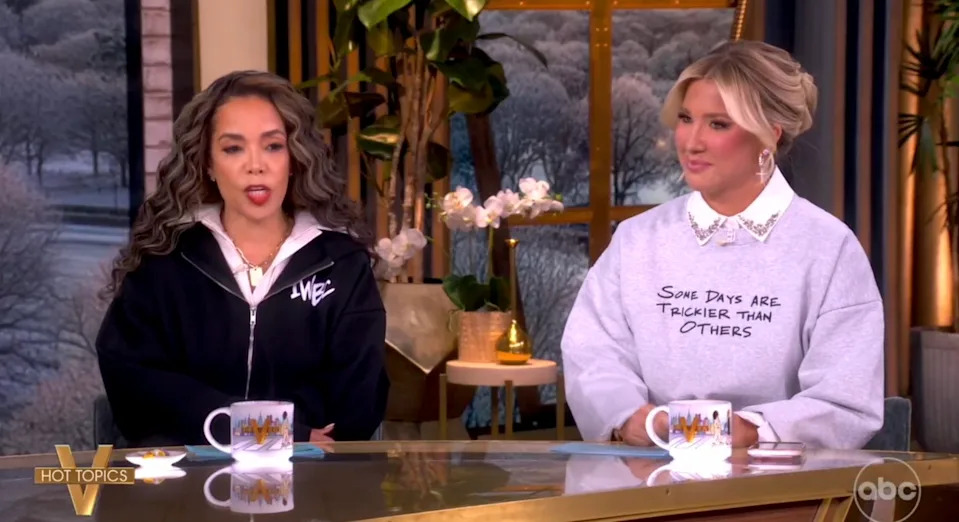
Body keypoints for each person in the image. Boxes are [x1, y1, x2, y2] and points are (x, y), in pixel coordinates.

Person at [561, 41, 884, 450]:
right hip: (644, 478)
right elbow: (593, 354)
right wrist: (632, 418)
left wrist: (736, 430)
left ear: (769, 134)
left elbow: (845, 402)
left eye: (718, 124)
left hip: (777, 488)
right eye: (685, 118)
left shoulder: (829, 248)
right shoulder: (637, 239)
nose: (691, 142)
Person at [96, 70, 389, 447]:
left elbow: (358, 407)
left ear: (294, 158)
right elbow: (136, 385)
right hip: (184, 485)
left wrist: (295, 449)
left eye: (273, 146)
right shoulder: (164, 261)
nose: (256, 165)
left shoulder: (342, 263)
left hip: (314, 485)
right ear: (207, 164)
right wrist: (271, 434)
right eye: (233, 148)